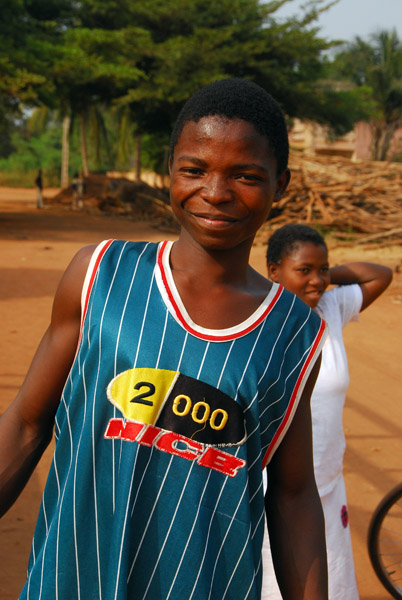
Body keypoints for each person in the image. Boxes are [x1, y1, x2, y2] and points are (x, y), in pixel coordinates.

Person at [0, 79, 329, 599]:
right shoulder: (99, 275)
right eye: (194, 170)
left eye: (245, 175)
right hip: (71, 581)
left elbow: (293, 495)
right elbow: (24, 425)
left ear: (281, 184)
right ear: (169, 169)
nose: (216, 192)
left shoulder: (294, 331)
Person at [262, 223, 393, 600]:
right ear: (274, 270)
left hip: (327, 485)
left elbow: (380, 275)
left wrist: (319, 275)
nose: (317, 280)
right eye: (304, 270)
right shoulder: (258, 317)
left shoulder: (330, 309)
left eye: (323, 270)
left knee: (330, 583)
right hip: (272, 490)